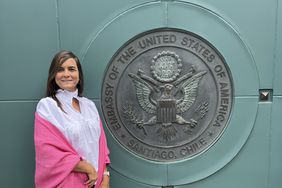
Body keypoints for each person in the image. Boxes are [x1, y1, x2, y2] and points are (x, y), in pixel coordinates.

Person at [34, 50, 110, 188]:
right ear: (53, 75)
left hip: (97, 183)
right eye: (60, 69)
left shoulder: (89, 106)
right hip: (67, 183)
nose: (66, 74)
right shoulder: (47, 106)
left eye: (71, 69)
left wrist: (105, 177)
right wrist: (88, 169)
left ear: (79, 76)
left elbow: (101, 147)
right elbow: (49, 153)